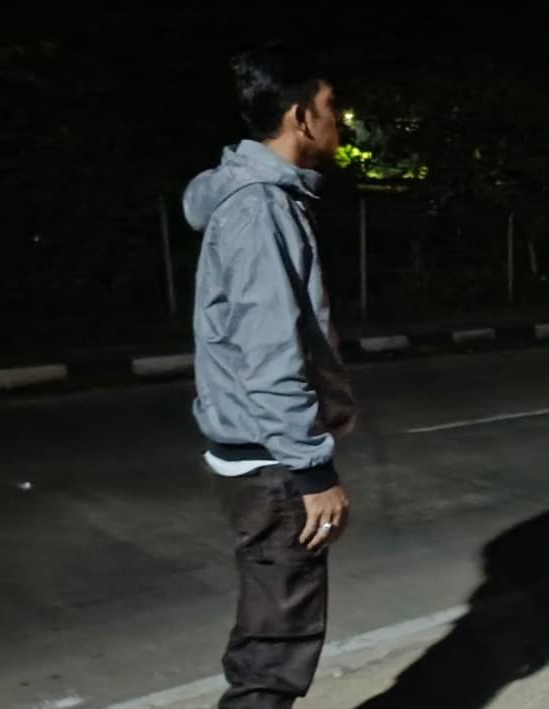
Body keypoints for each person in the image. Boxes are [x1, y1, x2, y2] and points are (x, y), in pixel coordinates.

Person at [183, 42, 355, 709]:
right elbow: (272, 354)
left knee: (267, 628)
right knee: (273, 657)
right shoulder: (262, 209)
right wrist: (314, 471)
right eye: (331, 106)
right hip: (274, 461)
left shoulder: (255, 197)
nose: (340, 119)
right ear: (300, 117)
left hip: (254, 450)